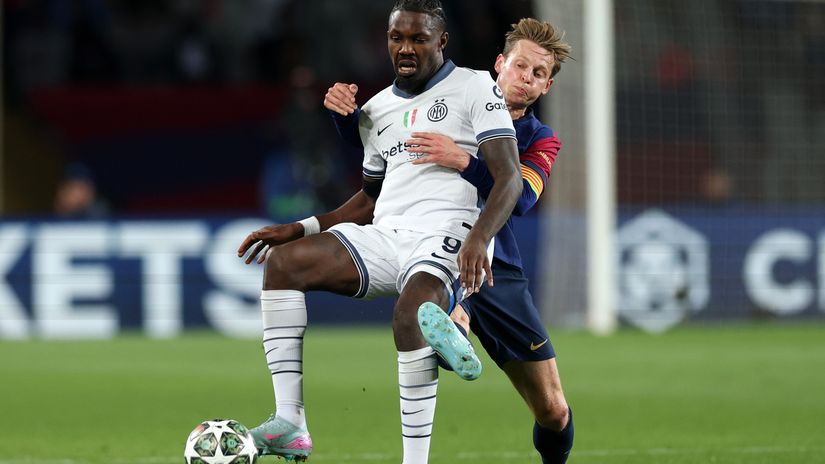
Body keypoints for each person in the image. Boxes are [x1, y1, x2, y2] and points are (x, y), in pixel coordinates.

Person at [236, 1, 522, 462]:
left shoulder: (475, 86)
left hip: (448, 232)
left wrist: (479, 238)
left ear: (442, 41)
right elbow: (370, 199)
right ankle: (289, 423)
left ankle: (417, 452)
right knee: (285, 265)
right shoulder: (377, 109)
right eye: (397, 38)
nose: (405, 48)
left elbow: (509, 177)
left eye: (418, 39)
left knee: (412, 313)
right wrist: (300, 228)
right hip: (387, 236)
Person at [324, 18, 574, 464]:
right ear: (500, 64)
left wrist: (464, 161)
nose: (526, 78)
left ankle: (453, 328)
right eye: (520, 66)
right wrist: (346, 120)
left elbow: (522, 198)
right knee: (439, 297)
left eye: (538, 74)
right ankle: (452, 324)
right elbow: (381, 149)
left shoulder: (540, 138)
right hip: (433, 247)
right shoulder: (450, 97)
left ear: (546, 86)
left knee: (553, 412)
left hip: (498, 268)